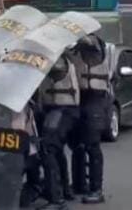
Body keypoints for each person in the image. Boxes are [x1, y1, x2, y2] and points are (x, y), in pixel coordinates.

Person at [70, 34, 110, 204]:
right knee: (77, 144)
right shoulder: (75, 51)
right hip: (80, 98)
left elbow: (89, 42)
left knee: (92, 145)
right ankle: (79, 184)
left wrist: (76, 39)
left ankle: (97, 189)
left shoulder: (95, 45)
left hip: (96, 98)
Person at [37, 53, 80, 210]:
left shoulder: (58, 59)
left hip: (64, 109)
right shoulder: (54, 56)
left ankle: (57, 199)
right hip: (54, 109)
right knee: (56, 149)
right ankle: (64, 190)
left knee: (48, 148)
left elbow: (46, 68)